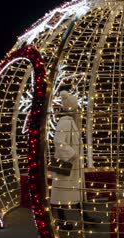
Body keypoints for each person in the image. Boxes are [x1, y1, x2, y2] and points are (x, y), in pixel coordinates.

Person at [50, 90, 96, 230]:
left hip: (71, 165)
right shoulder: (65, 122)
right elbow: (59, 141)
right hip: (66, 164)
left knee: (72, 191)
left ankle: (83, 217)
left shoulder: (70, 122)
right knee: (62, 192)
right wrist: (73, 154)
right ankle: (63, 220)